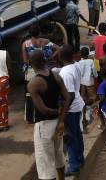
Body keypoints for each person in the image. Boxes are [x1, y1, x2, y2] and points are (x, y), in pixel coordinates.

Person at [27, 49, 71, 180]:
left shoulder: (33, 84)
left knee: (46, 164)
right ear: (45, 60)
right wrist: (61, 118)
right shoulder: (56, 76)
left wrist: (57, 112)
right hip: (58, 124)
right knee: (58, 155)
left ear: (31, 64)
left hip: (44, 126)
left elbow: (43, 110)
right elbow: (68, 98)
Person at [22, 24, 59, 123]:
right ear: (39, 32)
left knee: (30, 95)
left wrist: (33, 62)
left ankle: (31, 117)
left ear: (29, 33)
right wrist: (50, 58)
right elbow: (59, 48)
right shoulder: (46, 42)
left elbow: (25, 61)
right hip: (45, 70)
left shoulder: (26, 44)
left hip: (31, 72)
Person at [58, 46, 85, 177]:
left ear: (61, 57)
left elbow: (70, 95)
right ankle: (80, 158)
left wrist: (63, 115)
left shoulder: (65, 73)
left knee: (69, 138)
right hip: (77, 106)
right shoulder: (75, 66)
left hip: (71, 108)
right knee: (77, 134)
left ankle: (74, 165)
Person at [78, 46, 98, 131]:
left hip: (82, 83)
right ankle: (92, 115)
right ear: (88, 53)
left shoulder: (79, 62)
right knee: (93, 98)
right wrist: (96, 76)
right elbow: (94, 72)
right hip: (89, 82)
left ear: (81, 54)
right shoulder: (91, 61)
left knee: (83, 99)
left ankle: (84, 117)